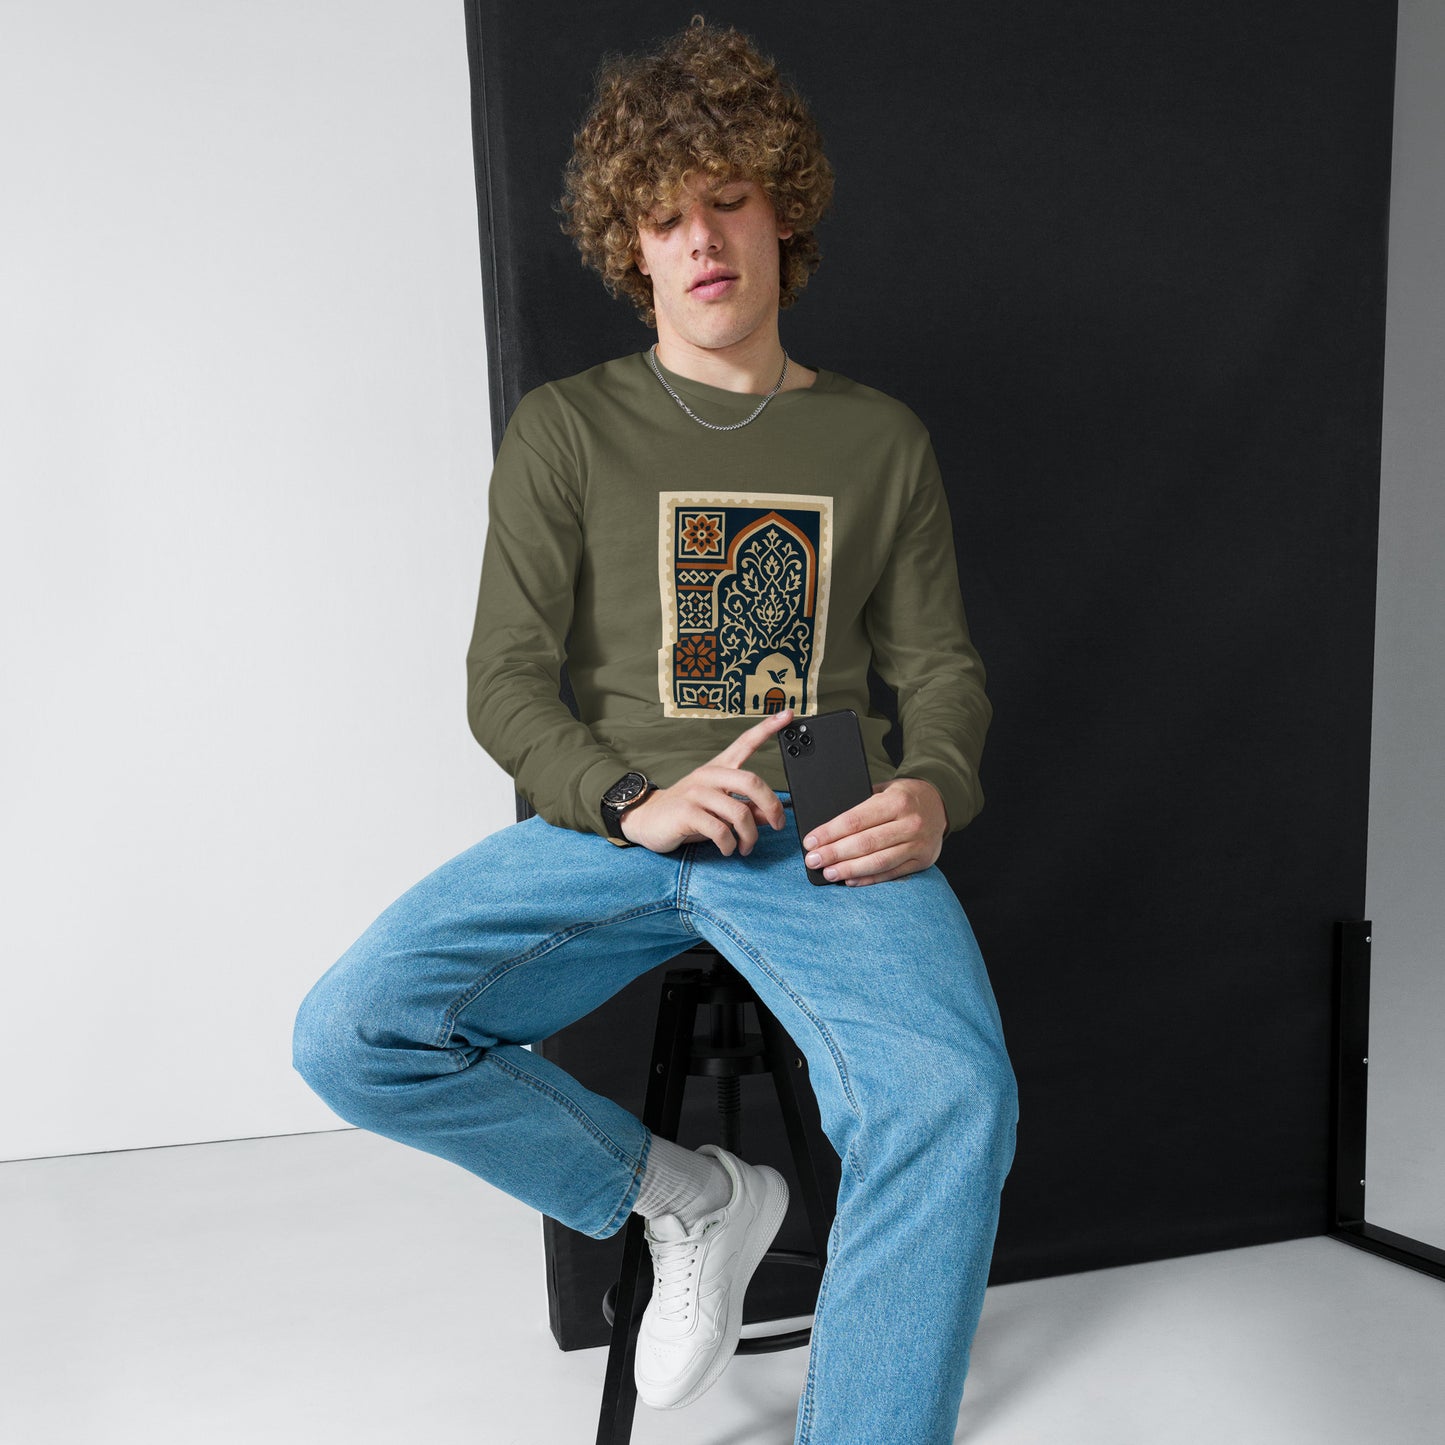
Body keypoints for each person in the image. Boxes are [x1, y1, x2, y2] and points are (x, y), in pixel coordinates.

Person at [292, 15, 1018, 1444]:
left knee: (954, 1098)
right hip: (618, 818)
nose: (700, 241)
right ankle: (683, 1195)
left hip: (820, 818)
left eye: (727, 200)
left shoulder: (878, 440)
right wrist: (628, 798)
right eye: (663, 214)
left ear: (778, 209)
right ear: (629, 243)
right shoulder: (567, 430)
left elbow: (938, 666)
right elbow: (503, 683)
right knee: (350, 1031)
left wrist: (934, 784)